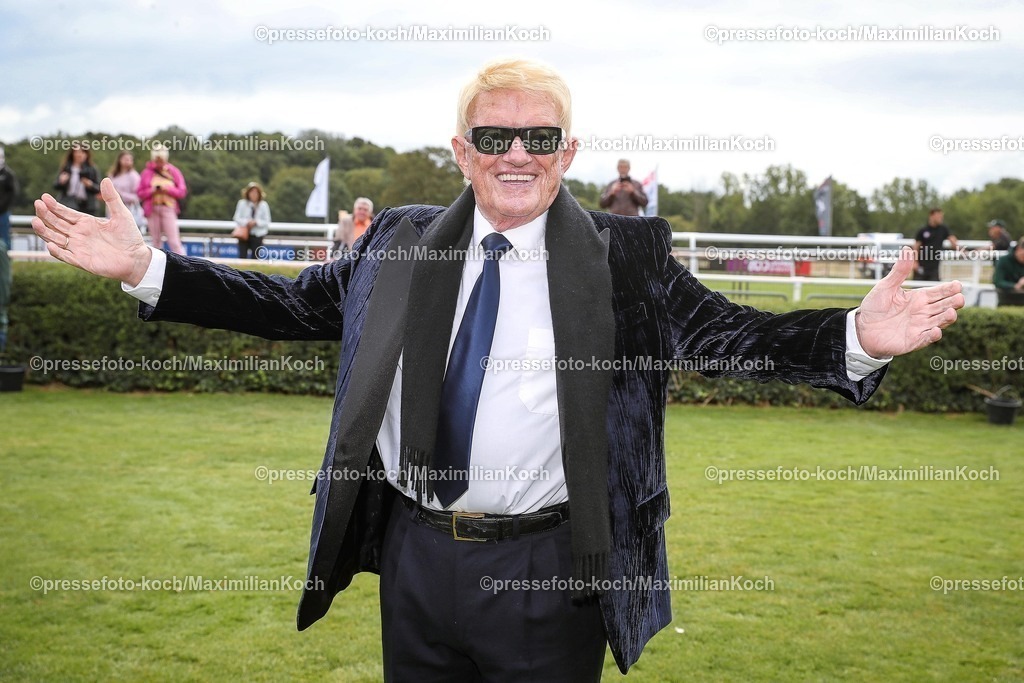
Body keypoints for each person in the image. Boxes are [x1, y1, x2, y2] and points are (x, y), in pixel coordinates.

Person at [31, 58, 964, 680]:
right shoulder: (397, 242)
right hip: (415, 554)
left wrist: (853, 335)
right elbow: (287, 304)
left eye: (540, 138)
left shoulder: (622, 255)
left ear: (568, 153)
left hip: (554, 567)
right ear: (461, 151)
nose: (517, 154)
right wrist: (148, 267)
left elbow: (731, 335)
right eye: (495, 136)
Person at [138, 144, 187, 255]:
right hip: (152, 209)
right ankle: (156, 267)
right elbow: (140, 192)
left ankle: (183, 265)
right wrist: (152, 190)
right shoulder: (147, 173)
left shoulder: (173, 172)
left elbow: (182, 191)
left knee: (174, 241)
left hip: (168, 208)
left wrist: (168, 190)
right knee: (155, 241)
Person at [53, 143, 101, 216]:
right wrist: (62, 181)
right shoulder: (66, 168)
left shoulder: (92, 169)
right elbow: (55, 185)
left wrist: (90, 184)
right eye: (77, 152)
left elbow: (98, 188)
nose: (79, 155)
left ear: (87, 154)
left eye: (82, 152)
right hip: (68, 204)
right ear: (72, 154)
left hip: (88, 206)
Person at [913, 208, 959, 281]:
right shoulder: (923, 230)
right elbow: (916, 246)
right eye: (939, 216)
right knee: (918, 287)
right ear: (932, 216)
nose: (941, 218)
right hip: (922, 263)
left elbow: (952, 238)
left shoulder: (943, 229)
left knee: (934, 288)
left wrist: (960, 249)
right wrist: (915, 262)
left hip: (934, 265)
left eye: (941, 217)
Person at [107, 151, 145, 232]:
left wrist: (121, 194)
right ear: (119, 160)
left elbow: (138, 197)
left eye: (130, 159)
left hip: (128, 210)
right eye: (125, 159)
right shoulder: (113, 175)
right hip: (112, 210)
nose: (128, 161)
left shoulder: (134, 176)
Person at [232, 182, 271, 259]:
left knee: (256, 257)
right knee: (242, 256)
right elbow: (236, 218)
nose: (254, 194)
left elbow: (267, 220)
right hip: (244, 234)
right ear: (248, 193)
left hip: (257, 234)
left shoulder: (263, 205)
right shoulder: (242, 203)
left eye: (256, 192)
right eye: (252, 192)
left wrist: (256, 222)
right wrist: (247, 222)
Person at [993, 238, 1024, 306]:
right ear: (1018, 249)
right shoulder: (1004, 261)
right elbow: (997, 281)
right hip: (1006, 300)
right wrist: (1016, 285)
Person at [0, 146, 18, 249]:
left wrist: (2, 207)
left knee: (5, 239)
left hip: (3, 213)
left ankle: (6, 263)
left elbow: (12, 193)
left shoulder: (8, 175)